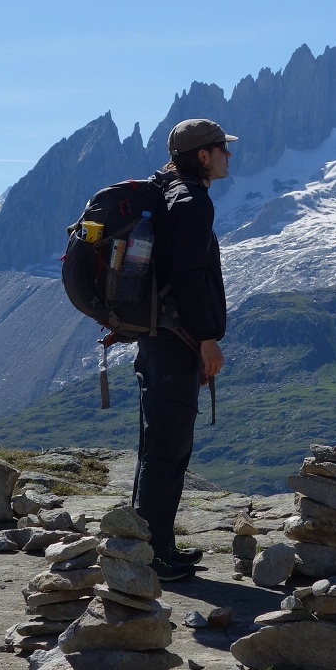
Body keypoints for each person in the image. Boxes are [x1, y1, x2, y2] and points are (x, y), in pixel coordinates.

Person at [132, 117, 235, 581]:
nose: (228, 156)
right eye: (221, 149)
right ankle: (152, 556)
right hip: (177, 342)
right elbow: (190, 278)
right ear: (202, 156)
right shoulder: (191, 202)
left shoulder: (167, 192)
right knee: (168, 448)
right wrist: (207, 338)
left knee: (159, 444)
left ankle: (158, 545)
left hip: (157, 337)